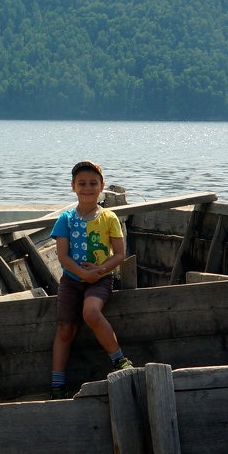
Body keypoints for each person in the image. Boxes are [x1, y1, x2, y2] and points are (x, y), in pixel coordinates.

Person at [49, 160, 133, 399]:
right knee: (65, 328)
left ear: (102, 186)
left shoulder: (108, 218)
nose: (88, 188)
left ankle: (120, 360)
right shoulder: (65, 219)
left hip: (100, 280)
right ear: (73, 187)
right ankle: (57, 384)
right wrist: (82, 273)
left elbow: (118, 254)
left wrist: (99, 270)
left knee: (91, 313)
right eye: (82, 183)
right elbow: (63, 256)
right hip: (71, 281)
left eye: (93, 183)